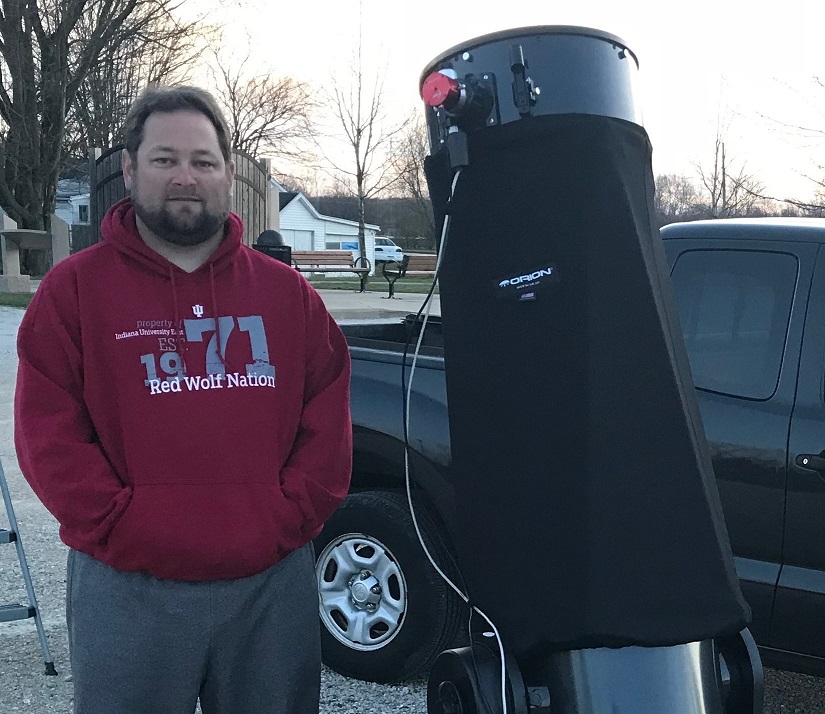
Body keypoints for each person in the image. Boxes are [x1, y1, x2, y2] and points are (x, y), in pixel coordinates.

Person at [14, 85, 352, 714]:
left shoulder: (286, 296)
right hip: (128, 583)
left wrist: (286, 517)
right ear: (129, 169)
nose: (184, 177)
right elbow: (48, 432)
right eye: (164, 159)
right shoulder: (73, 292)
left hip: (267, 584)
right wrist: (120, 524)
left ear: (226, 172)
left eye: (202, 161)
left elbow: (327, 418)